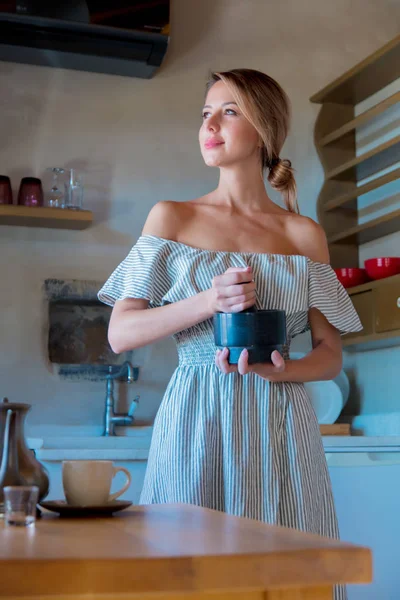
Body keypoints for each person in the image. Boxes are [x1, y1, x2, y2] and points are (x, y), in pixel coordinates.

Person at [98, 69, 362, 600]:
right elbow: (120, 333)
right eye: (205, 113)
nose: (209, 125)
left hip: (283, 428)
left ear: (263, 130)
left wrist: (279, 369)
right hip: (196, 420)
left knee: (289, 577)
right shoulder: (171, 217)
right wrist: (206, 301)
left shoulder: (303, 235)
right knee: (184, 577)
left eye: (229, 112)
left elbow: (330, 354)